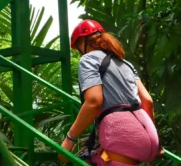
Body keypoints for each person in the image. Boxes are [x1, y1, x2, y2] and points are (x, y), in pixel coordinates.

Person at [59, 19, 160, 165]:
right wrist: (156, 143)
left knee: (82, 161)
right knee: (92, 155)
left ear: (83, 43)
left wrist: (70, 138)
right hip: (149, 135)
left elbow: (94, 101)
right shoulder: (125, 63)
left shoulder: (88, 60)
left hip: (124, 134)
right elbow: (148, 101)